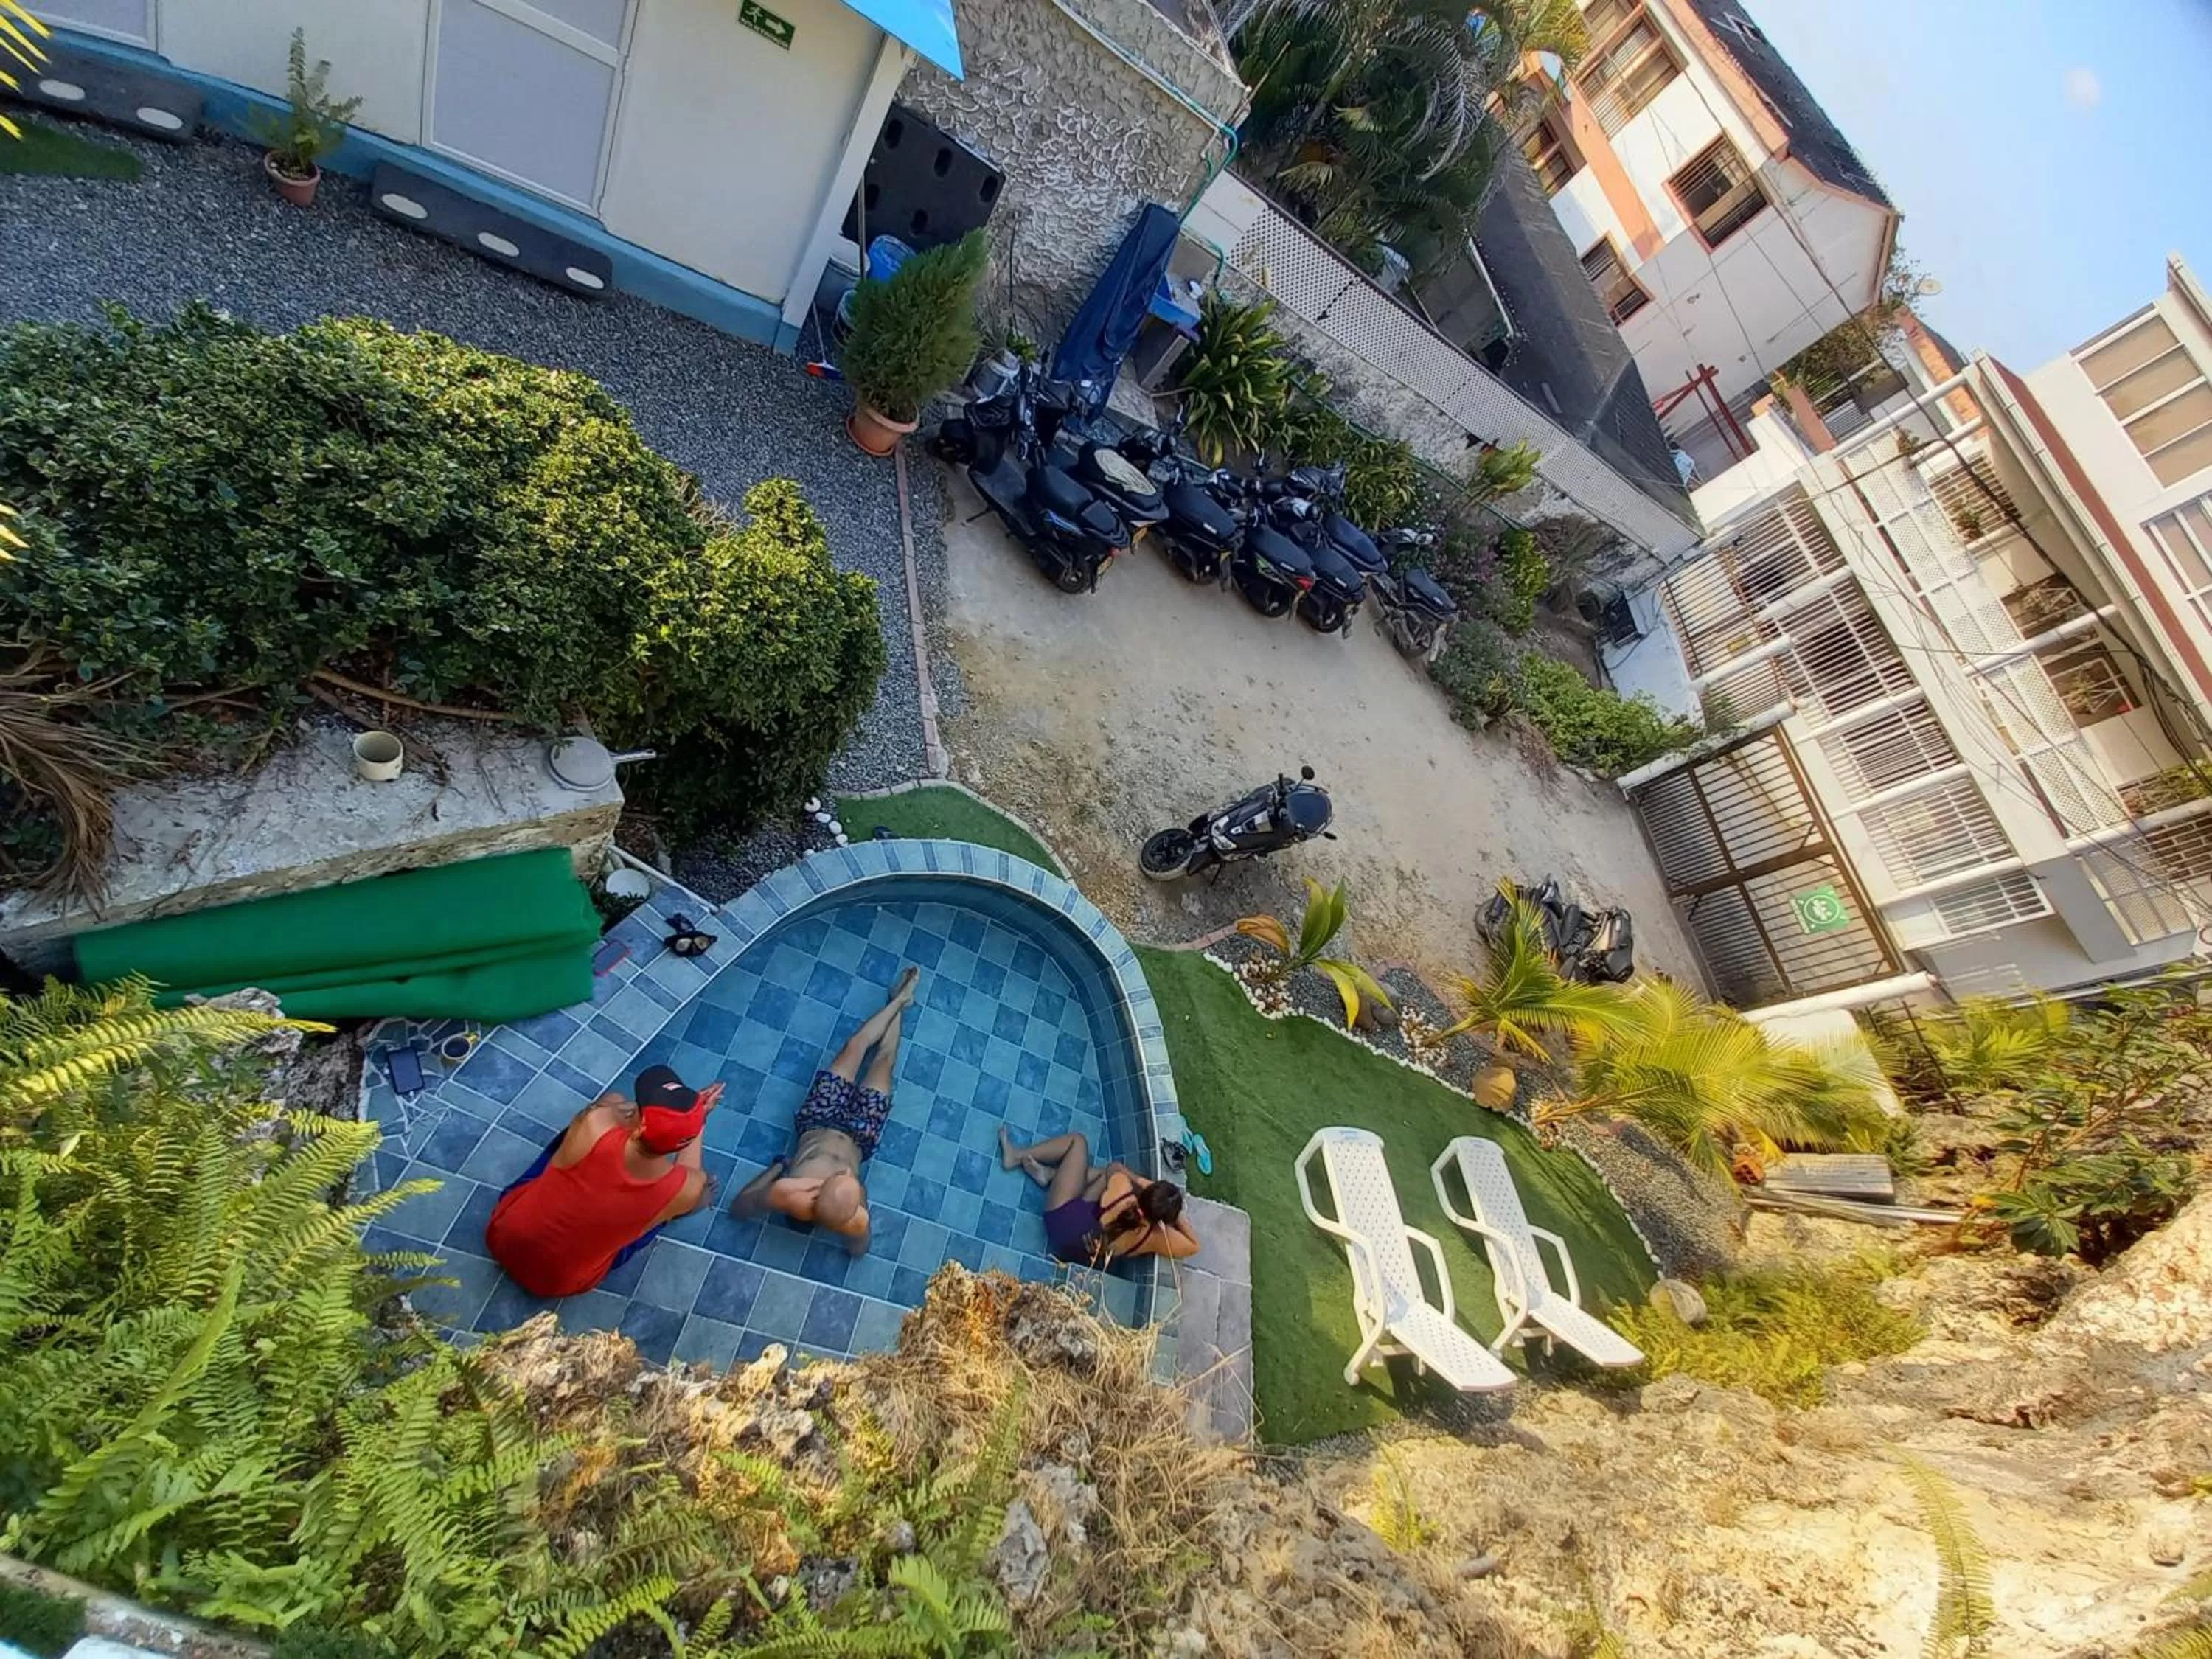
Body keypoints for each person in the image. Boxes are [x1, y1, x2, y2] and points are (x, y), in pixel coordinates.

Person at [484, 1065, 724, 1298]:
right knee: (691, 1200)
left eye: (638, 1105)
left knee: (611, 1099)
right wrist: (696, 1120)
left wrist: (640, 1114)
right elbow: (691, 1173)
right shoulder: (687, 1188)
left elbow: (611, 1107)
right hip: (557, 1283)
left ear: (637, 1125)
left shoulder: (595, 1124)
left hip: (501, 1237)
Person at [730, 966, 917, 1254]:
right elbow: (859, 1250)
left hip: (819, 1118)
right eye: (848, 1177)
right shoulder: (851, 1208)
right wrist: (852, 1225)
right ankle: (899, 1002)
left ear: (816, 1193)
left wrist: (779, 1167)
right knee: (885, 1061)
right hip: (861, 1135)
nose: (846, 1172)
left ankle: (899, 1000)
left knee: (855, 1046)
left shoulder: (788, 1190)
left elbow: (740, 1208)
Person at [998, 1128, 1200, 1266]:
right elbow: (1194, 1246)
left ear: (1149, 1191)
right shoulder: (1154, 1238)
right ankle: (1049, 1175)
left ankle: (1015, 1158)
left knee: (1078, 1142)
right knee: (1101, 1183)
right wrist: (1176, 1215)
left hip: (1059, 1220)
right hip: (1073, 1253)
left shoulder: (1123, 1192)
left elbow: (1115, 1168)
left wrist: (1142, 1181)